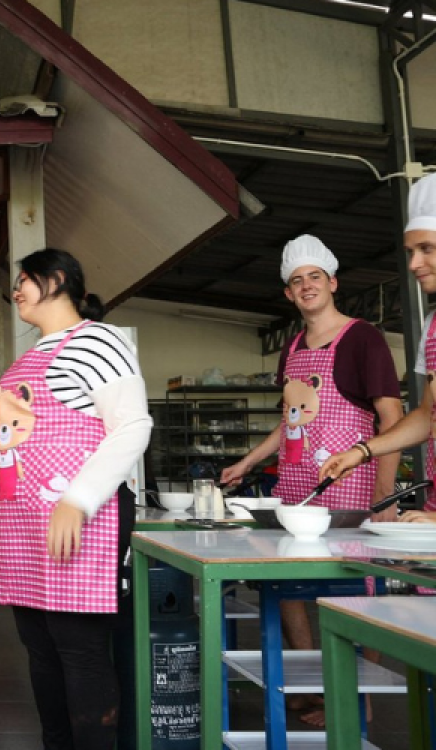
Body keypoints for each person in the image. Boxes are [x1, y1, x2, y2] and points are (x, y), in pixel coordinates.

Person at [222, 235, 403, 725]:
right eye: (297, 280)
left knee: (357, 589)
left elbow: (392, 419)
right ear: (288, 293)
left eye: (314, 277)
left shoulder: (362, 338)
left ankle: (356, 699)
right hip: (296, 484)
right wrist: (248, 462)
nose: (306, 286)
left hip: (351, 484)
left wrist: (384, 495)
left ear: (333, 283)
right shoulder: (293, 346)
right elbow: (291, 421)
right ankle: (316, 686)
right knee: (286, 581)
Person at [0, 248, 151, 750]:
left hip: (80, 516)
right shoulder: (28, 357)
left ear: (57, 279)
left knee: (78, 647)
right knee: (40, 648)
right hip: (25, 520)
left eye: (24, 279)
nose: (15, 291)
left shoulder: (97, 341)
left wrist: (78, 500)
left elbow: (132, 425)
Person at [323, 172, 436, 522]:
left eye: (427, 249)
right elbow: (426, 416)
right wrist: (361, 451)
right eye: (411, 252)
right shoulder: (433, 327)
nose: (414, 264)